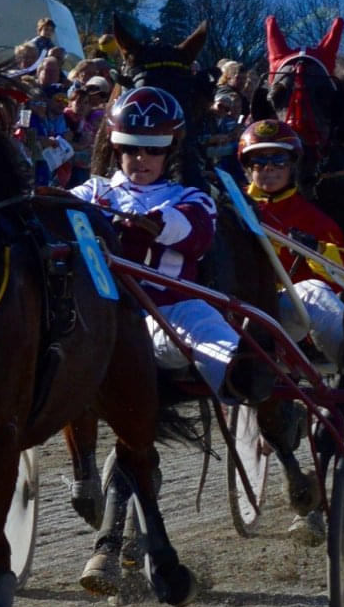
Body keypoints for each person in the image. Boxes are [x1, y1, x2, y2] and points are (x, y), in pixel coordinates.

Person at [76, 86, 264, 402]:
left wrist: (153, 223)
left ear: (170, 151)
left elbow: (197, 232)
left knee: (200, 315)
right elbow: (57, 211)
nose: (141, 158)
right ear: (116, 148)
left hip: (166, 315)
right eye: (131, 148)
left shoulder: (189, 198)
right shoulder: (94, 192)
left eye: (154, 150)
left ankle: (236, 374)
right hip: (99, 316)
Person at [236, 119, 344, 364]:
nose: (269, 169)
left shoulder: (315, 219)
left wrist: (316, 250)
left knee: (315, 292)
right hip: (233, 310)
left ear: (292, 166)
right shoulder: (228, 206)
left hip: (281, 313)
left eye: (278, 161)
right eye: (259, 162)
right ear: (248, 167)